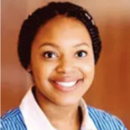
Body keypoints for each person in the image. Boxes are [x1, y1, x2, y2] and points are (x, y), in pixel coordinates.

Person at [1, 1, 127, 130]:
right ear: (28, 62)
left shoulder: (112, 126)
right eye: (50, 55)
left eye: (80, 53)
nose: (66, 68)